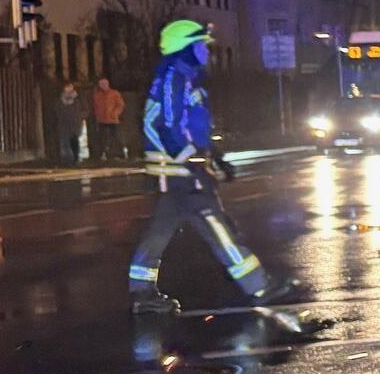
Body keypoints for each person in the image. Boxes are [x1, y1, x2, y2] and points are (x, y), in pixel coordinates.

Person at [127, 20, 300, 314]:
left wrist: (215, 156)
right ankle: (258, 286)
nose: (207, 50)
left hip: (177, 173)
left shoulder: (184, 78)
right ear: (186, 48)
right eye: (201, 45)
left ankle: (141, 293)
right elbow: (167, 126)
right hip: (179, 173)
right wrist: (193, 163)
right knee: (216, 226)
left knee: (159, 232)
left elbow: (191, 129)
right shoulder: (174, 78)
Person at [91, 77, 126, 161]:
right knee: (103, 138)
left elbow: (120, 105)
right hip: (101, 120)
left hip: (112, 119)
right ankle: (104, 154)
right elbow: (95, 107)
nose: (103, 86)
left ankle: (118, 154)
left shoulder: (114, 93)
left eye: (105, 84)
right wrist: (97, 116)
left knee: (115, 137)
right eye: (101, 84)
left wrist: (115, 113)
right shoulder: (97, 95)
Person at [57, 82, 87, 165]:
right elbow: (57, 108)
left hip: (75, 122)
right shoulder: (61, 98)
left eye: (70, 87)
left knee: (74, 140)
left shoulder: (78, 98)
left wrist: (79, 116)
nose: (68, 89)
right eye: (67, 87)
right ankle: (66, 159)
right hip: (64, 123)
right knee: (65, 140)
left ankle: (75, 158)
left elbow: (85, 108)